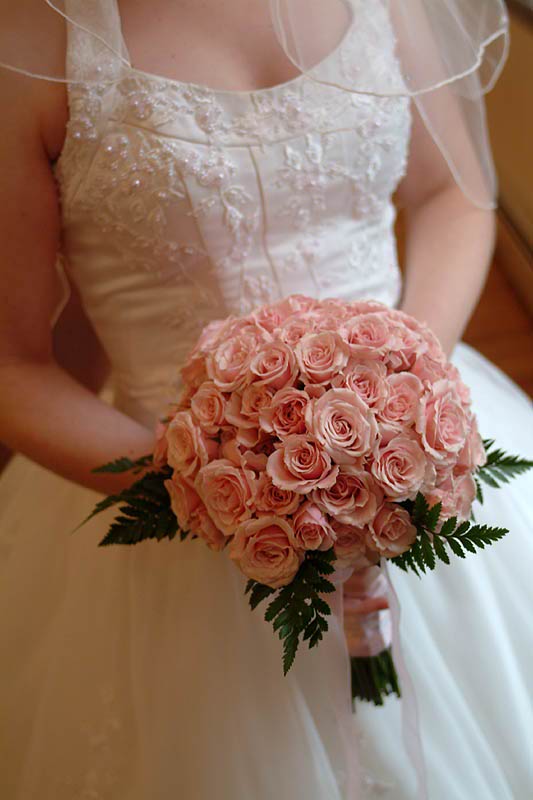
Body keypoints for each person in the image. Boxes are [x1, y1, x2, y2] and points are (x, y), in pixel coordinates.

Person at [0, 1, 531, 798]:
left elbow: (451, 197)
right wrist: (224, 494)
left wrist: (406, 396)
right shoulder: (28, 37)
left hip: (416, 451)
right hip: (173, 492)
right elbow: (11, 366)